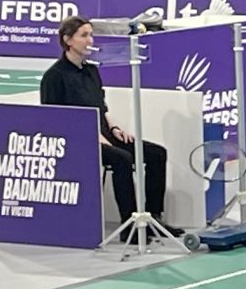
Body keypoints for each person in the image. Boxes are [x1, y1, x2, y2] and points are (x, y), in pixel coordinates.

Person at [41, 16, 168, 227]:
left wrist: (114, 127)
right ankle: (131, 223)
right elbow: (55, 120)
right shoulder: (54, 76)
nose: (90, 41)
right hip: (76, 140)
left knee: (156, 154)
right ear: (68, 40)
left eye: (91, 35)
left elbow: (101, 105)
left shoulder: (92, 70)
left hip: (104, 134)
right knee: (123, 159)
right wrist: (93, 135)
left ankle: (154, 217)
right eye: (84, 36)